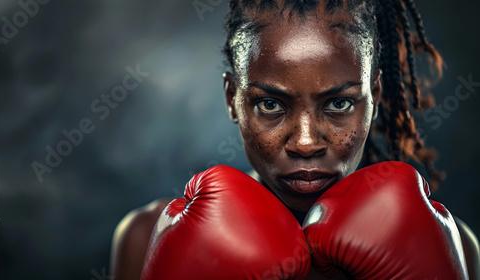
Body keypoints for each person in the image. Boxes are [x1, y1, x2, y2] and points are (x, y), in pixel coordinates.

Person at [110, 0, 480, 279]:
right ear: (232, 100)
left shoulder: (454, 248)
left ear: (376, 98)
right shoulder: (146, 238)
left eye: (339, 103)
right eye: (271, 104)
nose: (305, 143)